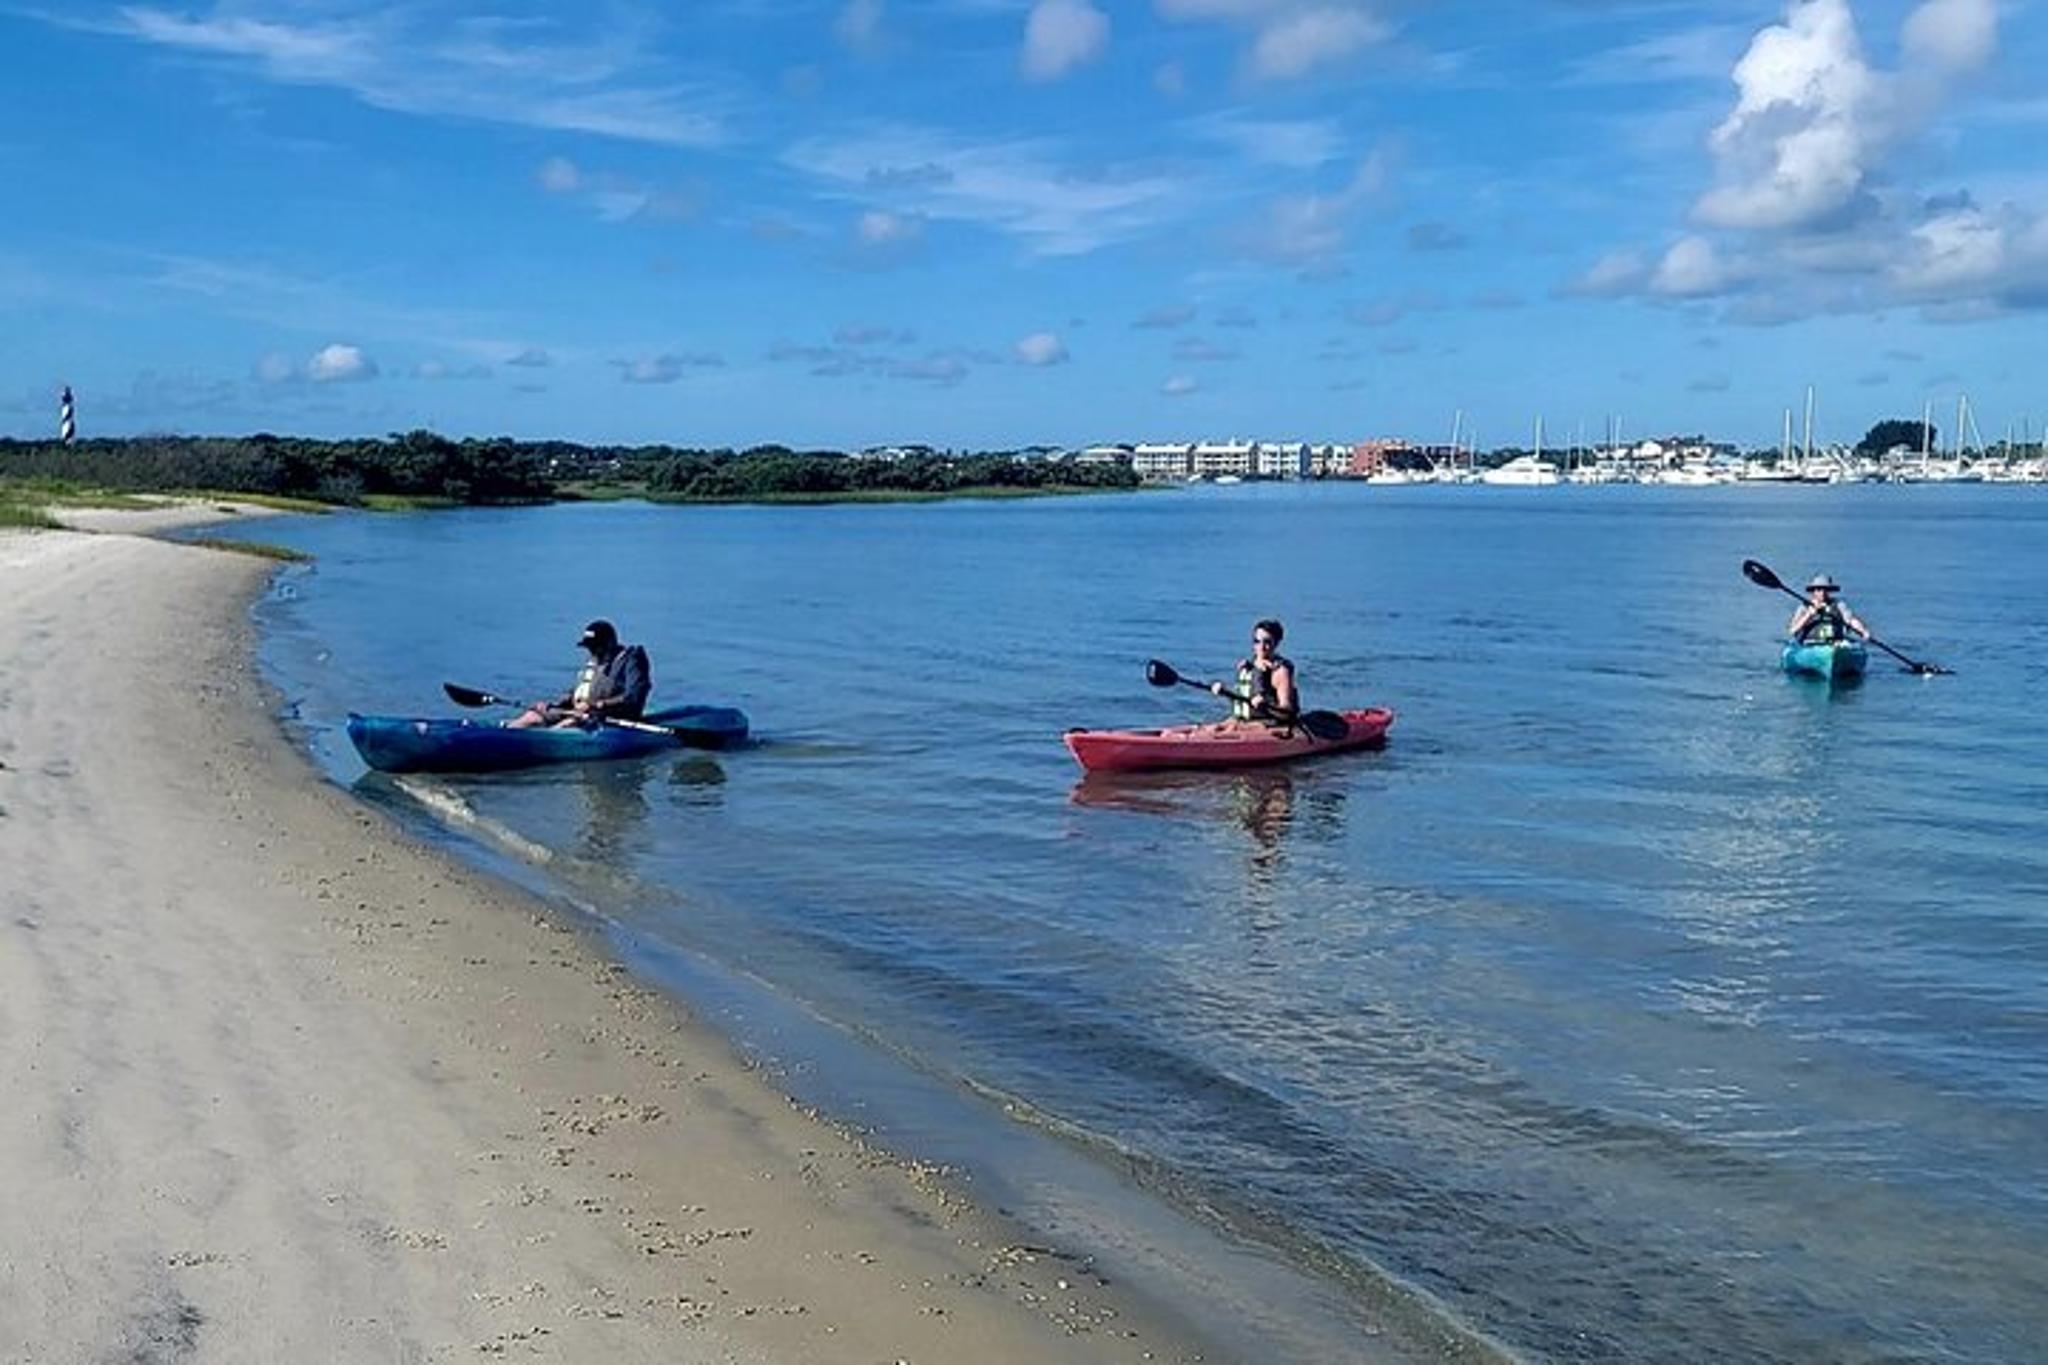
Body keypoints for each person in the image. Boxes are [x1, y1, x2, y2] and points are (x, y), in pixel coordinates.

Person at [509, 619, 652, 729]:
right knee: (533, 716)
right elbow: (577, 693)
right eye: (590, 647)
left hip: (611, 716)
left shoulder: (632, 659)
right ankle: (506, 731)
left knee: (571, 722)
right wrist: (554, 705)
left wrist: (598, 705)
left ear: (609, 643)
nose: (592, 652)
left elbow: (634, 696)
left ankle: (548, 739)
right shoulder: (594, 661)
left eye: (595, 647)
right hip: (582, 712)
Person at [1210, 618, 1300, 727]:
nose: (1261, 647)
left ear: (1276, 643)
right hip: (1244, 721)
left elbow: (1286, 712)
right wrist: (1224, 691)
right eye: (1257, 641)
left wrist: (1265, 705)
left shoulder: (1280, 672)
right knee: (1214, 728)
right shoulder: (1248, 666)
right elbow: (1243, 698)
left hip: (1269, 725)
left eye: (1267, 642)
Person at [1786, 575, 1871, 645]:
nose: (1822, 593)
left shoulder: (1839, 605)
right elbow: (1792, 630)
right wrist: (1809, 615)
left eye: (1825, 589)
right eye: (1819, 589)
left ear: (1830, 591)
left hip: (1835, 644)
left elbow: (1851, 620)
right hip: (1810, 644)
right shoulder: (1804, 607)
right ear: (1813, 591)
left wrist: (1863, 631)